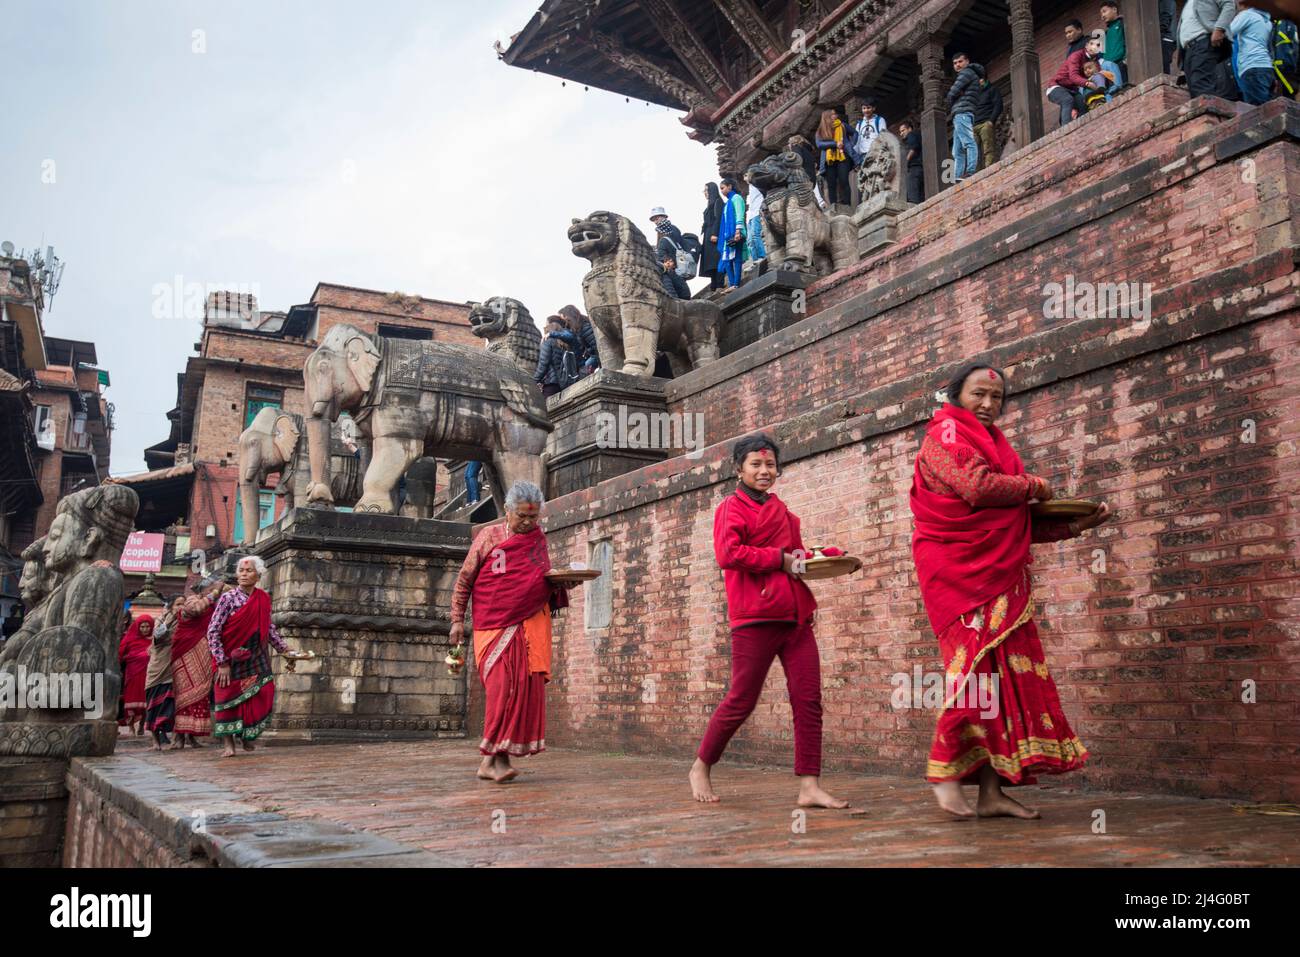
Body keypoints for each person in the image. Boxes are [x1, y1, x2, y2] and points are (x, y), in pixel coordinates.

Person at [910, 364, 1111, 819]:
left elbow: (1012, 526)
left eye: (995, 398)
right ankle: (945, 772)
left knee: (1001, 684)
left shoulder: (995, 445)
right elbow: (978, 489)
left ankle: (991, 792)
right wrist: (1035, 485)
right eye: (977, 394)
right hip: (959, 576)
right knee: (975, 674)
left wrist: (1078, 524)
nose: (987, 404)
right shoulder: (943, 437)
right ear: (954, 396)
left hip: (1002, 574)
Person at [689, 434, 849, 810]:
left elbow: (794, 557)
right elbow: (728, 554)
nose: (765, 471)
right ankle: (701, 765)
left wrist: (823, 556)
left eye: (770, 465)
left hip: (795, 616)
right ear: (739, 469)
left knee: (808, 700)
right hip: (755, 618)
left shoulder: (785, 512)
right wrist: (780, 559)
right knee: (741, 700)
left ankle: (809, 785)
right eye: (756, 465)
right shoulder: (731, 508)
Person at [449, 481, 576, 783]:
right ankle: (488, 760)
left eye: (533, 518)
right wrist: (456, 620)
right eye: (522, 516)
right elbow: (465, 580)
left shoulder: (537, 539)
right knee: (500, 691)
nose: (528, 523)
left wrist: (561, 584)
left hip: (527, 624)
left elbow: (538, 581)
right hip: (491, 625)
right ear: (507, 511)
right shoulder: (488, 537)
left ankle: (498, 761)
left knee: (521, 689)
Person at [207, 555, 297, 757]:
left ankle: (246, 736)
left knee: (263, 691)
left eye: (248, 571)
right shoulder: (228, 598)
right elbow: (213, 631)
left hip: (255, 655)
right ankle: (228, 744)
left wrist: (284, 649)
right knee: (227, 700)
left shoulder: (263, 598)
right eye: (241, 571)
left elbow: (269, 628)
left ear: (258, 576)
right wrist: (222, 662)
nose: (244, 574)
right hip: (230, 658)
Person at [170, 575, 221, 748]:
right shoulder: (192, 601)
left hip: (205, 652)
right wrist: (215, 592)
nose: (215, 592)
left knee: (201, 693)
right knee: (183, 693)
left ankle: (192, 735)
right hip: (184, 652)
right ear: (204, 590)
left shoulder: (215, 606)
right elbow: (195, 610)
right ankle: (179, 736)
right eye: (211, 589)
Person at [143, 598, 181, 750]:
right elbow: (158, 636)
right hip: (157, 670)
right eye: (178, 604)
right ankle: (155, 741)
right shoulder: (161, 621)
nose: (182, 607)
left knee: (172, 707)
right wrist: (169, 618)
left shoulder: (185, 622)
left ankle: (174, 738)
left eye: (184, 604)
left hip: (173, 670)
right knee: (153, 707)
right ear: (171, 607)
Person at [1180, 0, 1237, 99]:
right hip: (1189, 49)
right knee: (1193, 88)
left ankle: (1210, 112)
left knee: (1201, 84)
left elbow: (1229, 5)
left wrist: (1219, 29)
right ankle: (1205, 112)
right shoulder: (1188, 2)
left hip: (1204, 41)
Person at [1047, 33, 1103, 127]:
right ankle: (1066, 129)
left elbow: (1098, 75)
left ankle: (1083, 128)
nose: (1094, 47)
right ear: (1086, 46)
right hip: (1056, 86)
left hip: (1072, 90)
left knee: (1083, 104)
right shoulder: (1076, 56)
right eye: (1091, 44)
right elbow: (1073, 76)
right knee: (1067, 100)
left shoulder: (1095, 62)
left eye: (1098, 45)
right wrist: (1088, 83)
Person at [946, 53, 985, 183]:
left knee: (968, 142)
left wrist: (952, 97)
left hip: (962, 112)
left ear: (967, 61)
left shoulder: (966, 73)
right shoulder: (971, 75)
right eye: (955, 63)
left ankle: (970, 171)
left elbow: (952, 92)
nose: (957, 65)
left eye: (960, 61)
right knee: (957, 150)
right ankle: (957, 176)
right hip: (961, 112)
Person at [1231, 2, 1278, 104]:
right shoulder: (1267, 21)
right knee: (1267, 109)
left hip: (1251, 66)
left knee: (1256, 112)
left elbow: (1227, 32)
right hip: (1267, 68)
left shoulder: (1247, 15)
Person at [117, 614, 153, 735]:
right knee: (131, 701)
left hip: (147, 675)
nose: (145, 629)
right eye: (142, 626)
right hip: (132, 675)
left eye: (147, 626)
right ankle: (131, 727)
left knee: (145, 701)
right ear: (138, 627)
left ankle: (142, 725)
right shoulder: (130, 639)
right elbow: (120, 654)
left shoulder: (154, 640)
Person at [534, 316, 580, 397]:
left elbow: (543, 363)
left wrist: (534, 380)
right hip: (568, 381)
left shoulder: (547, 341)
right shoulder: (567, 343)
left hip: (552, 383)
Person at [815, 109, 852, 207]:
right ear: (827, 117)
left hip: (842, 157)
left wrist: (851, 145)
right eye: (833, 114)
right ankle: (834, 206)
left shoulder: (842, 125)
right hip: (829, 161)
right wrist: (835, 144)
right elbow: (819, 144)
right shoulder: (821, 131)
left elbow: (855, 133)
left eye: (835, 113)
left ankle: (848, 204)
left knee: (844, 180)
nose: (835, 115)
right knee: (831, 184)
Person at [717, 177, 747, 288]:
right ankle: (731, 284)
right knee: (727, 260)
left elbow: (740, 214)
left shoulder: (737, 198)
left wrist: (738, 231)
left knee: (737, 259)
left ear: (729, 186)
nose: (721, 191)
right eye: (720, 189)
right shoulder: (727, 203)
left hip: (736, 233)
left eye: (723, 188)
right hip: (727, 236)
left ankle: (736, 284)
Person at [786, 134, 828, 210]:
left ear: (793, 142)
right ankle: (821, 203)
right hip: (812, 174)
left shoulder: (795, 147)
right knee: (814, 190)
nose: (788, 145)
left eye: (789, 143)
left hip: (805, 175)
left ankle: (819, 204)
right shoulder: (806, 149)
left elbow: (798, 160)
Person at [972, 76, 1004, 170]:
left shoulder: (992, 90)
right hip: (973, 126)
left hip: (985, 123)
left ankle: (989, 168)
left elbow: (998, 105)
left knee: (988, 148)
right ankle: (974, 172)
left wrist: (991, 121)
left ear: (983, 79)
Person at [558, 304, 600, 373]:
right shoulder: (577, 327)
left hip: (595, 354)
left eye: (564, 316)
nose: (563, 319)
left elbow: (595, 344)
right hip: (591, 354)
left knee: (586, 366)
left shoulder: (584, 326)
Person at [701, 183, 726, 290]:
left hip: (714, 235)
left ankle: (719, 283)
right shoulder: (709, 204)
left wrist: (715, 234)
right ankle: (713, 284)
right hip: (708, 235)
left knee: (716, 259)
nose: (705, 193)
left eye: (707, 190)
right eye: (704, 190)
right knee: (710, 261)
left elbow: (718, 218)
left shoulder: (718, 201)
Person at [1100, 2, 1127, 84]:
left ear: (1114, 9)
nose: (1102, 16)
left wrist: (1126, 59)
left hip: (1121, 64)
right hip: (1108, 69)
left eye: (1104, 11)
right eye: (1101, 14)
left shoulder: (1123, 23)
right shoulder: (1105, 34)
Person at [898, 120, 924, 204]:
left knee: (913, 196)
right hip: (920, 168)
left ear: (909, 129)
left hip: (914, 168)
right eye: (900, 132)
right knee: (919, 194)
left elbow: (913, 147)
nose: (901, 133)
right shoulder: (917, 135)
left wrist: (905, 162)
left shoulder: (911, 134)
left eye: (903, 130)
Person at [854, 99, 887, 164]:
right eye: (864, 108)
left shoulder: (879, 120)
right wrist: (856, 158)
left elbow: (884, 136)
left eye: (868, 108)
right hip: (863, 156)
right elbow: (857, 141)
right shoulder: (859, 124)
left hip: (876, 153)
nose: (866, 110)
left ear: (873, 108)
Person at [744, 170, 767, 261]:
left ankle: (762, 256)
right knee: (749, 241)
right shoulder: (750, 188)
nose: (744, 177)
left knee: (755, 235)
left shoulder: (758, 184)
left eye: (746, 174)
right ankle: (755, 260)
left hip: (757, 212)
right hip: (750, 216)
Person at [1161, 0, 1178, 74]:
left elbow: (1165, 20)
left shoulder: (1166, 1)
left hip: (1166, 38)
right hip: (1168, 38)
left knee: (1163, 68)